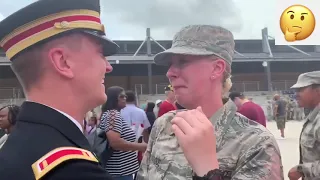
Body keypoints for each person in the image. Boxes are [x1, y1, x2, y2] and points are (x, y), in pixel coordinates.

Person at [137, 25, 283, 180]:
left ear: (217, 68)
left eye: (182, 62)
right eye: (170, 64)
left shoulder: (256, 144)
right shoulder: (164, 125)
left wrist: (208, 170)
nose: (170, 73)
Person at [0, 0, 119, 179]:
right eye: (101, 54)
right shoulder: (75, 171)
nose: (108, 67)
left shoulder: (15, 147)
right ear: (63, 62)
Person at [100, 86, 147, 180]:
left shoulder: (112, 114)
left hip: (121, 171)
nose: (125, 98)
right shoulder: (113, 115)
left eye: (125, 96)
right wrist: (141, 146)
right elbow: (115, 142)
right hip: (119, 172)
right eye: (121, 96)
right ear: (114, 98)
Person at [288, 71, 320, 180]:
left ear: (317, 90)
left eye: (301, 90)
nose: (296, 94)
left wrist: (302, 170)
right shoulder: (314, 115)